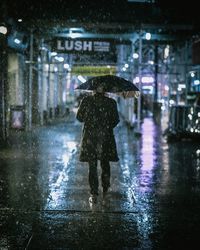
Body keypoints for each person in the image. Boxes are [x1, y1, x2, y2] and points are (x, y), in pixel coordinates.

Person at [76, 87, 120, 201]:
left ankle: (94, 192)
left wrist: (90, 120)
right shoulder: (111, 102)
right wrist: (105, 126)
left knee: (92, 165)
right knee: (105, 163)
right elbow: (116, 120)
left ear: (92, 89)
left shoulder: (86, 100)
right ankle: (105, 189)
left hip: (90, 137)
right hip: (106, 137)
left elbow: (79, 118)